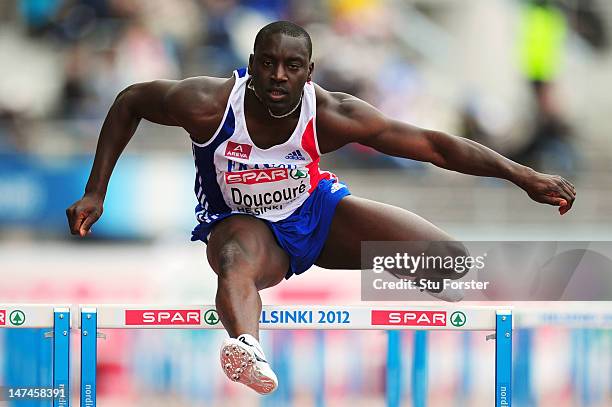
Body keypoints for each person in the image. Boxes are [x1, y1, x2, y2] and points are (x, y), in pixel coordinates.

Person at [66, 21, 576, 394]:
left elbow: (434, 146)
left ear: (310, 73)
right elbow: (131, 99)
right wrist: (96, 190)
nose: (278, 77)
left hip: (316, 213)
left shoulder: (331, 114)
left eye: (292, 67)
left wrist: (523, 175)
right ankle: (247, 347)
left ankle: (479, 308)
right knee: (235, 262)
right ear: (251, 65)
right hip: (243, 225)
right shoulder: (208, 103)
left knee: (449, 260)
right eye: (267, 64)